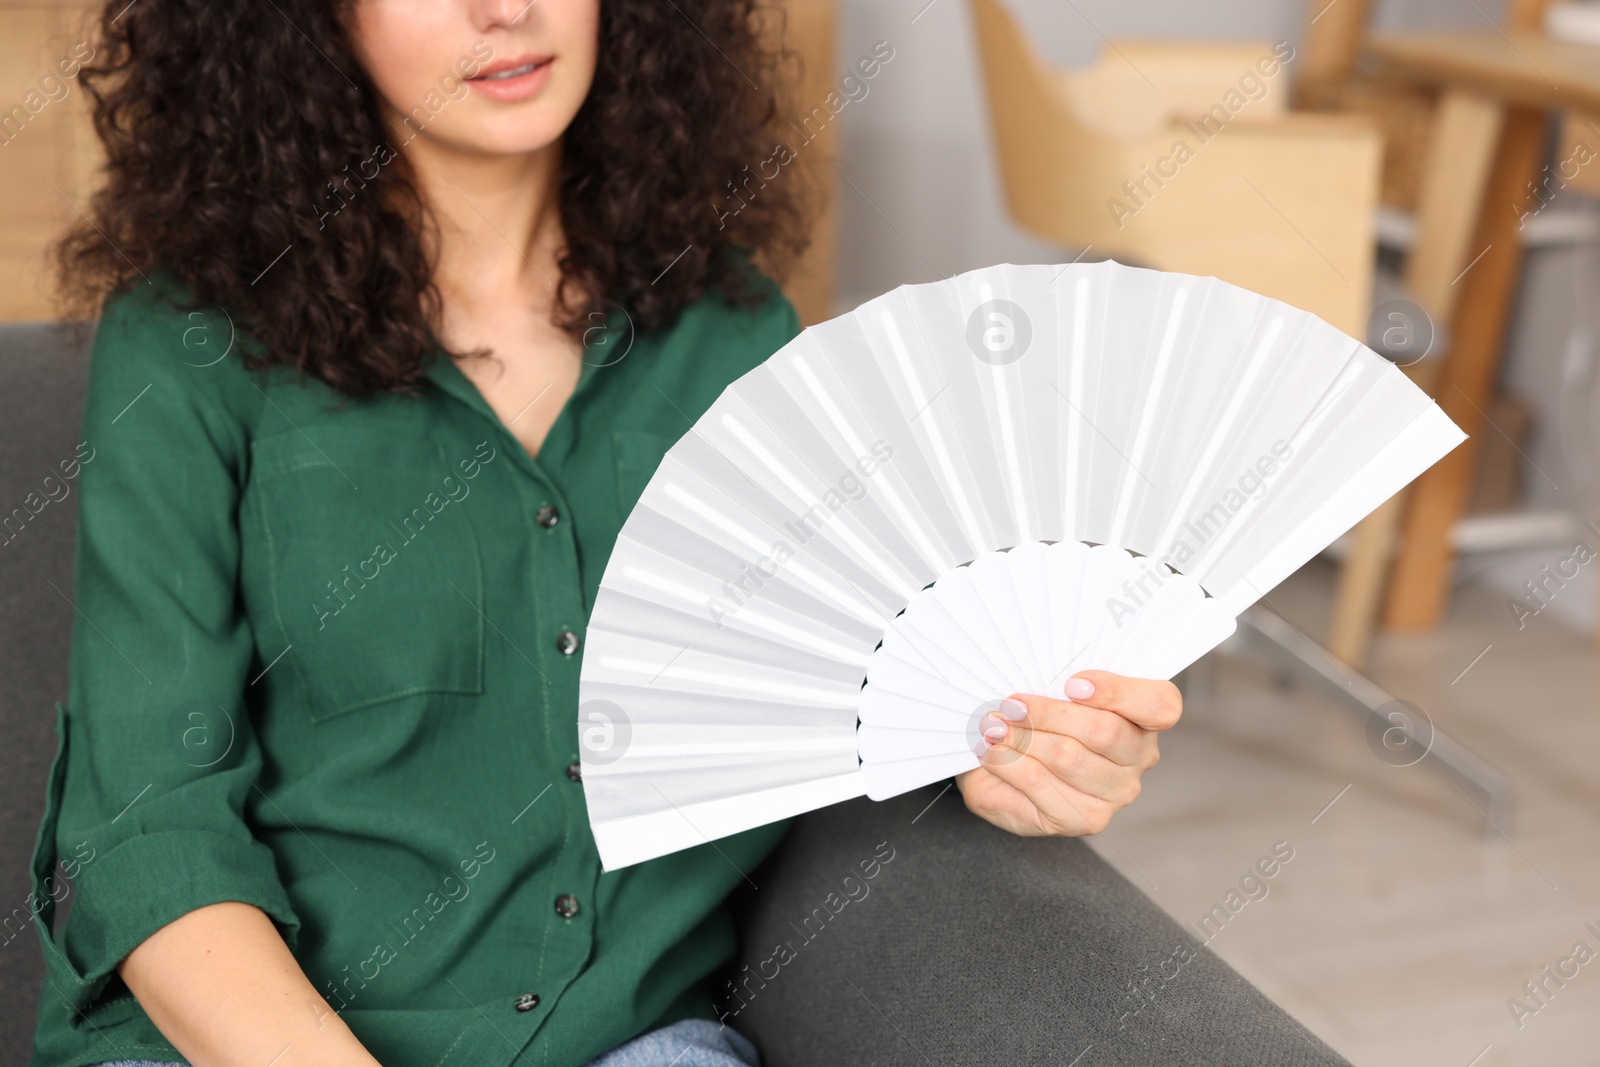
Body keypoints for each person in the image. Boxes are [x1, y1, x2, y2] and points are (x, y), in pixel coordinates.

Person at [32, 2, 1192, 1065]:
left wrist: (1015, 750)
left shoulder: (734, 338)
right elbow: (145, 823)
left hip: (623, 1039)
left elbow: (856, 696)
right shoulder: (184, 347)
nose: (508, 9)